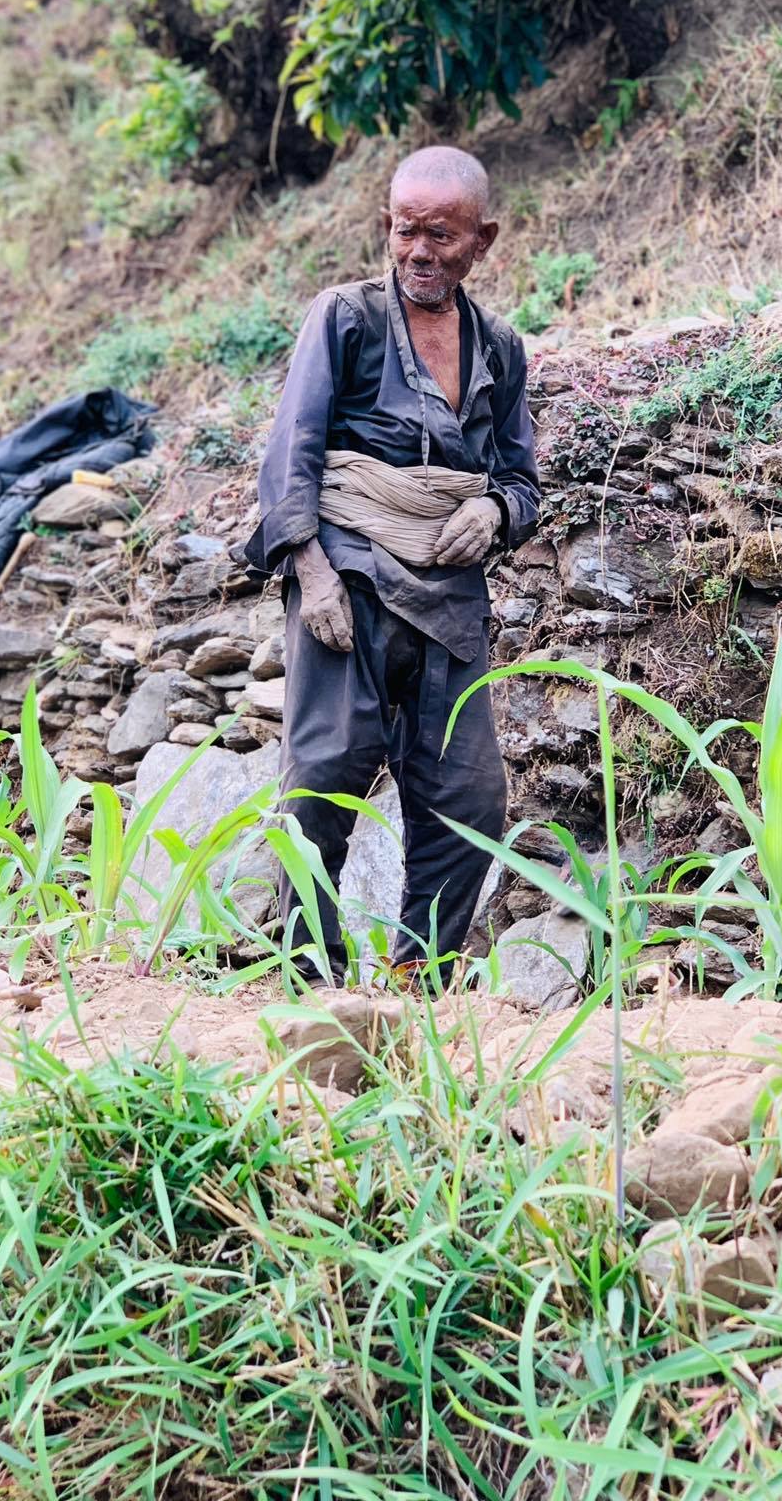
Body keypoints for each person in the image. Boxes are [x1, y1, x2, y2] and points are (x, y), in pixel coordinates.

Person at [244, 144, 541, 986]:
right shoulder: (345, 318)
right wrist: (310, 574)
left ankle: (420, 980)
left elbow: (520, 482)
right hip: (349, 584)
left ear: (482, 240)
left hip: (448, 602)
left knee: (471, 797)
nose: (419, 252)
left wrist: (489, 510)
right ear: (386, 228)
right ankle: (308, 977)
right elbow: (292, 454)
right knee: (319, 787)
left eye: (441, 237)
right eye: (405, 232)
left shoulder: (500, 350)